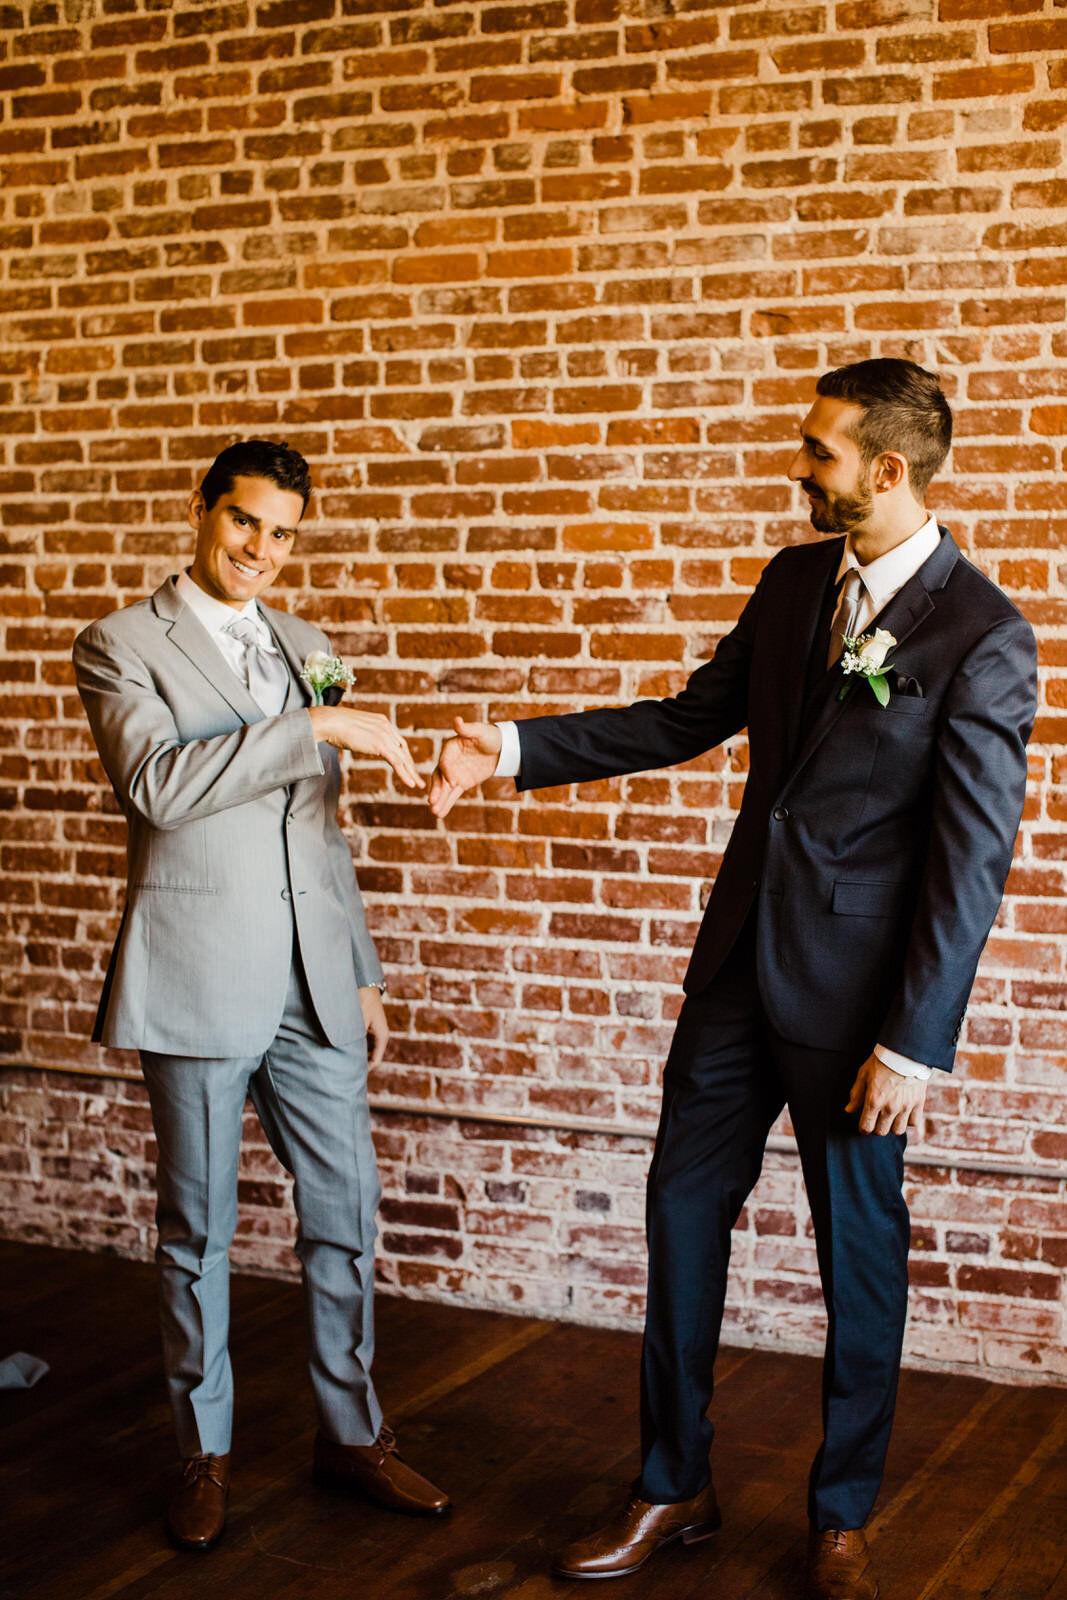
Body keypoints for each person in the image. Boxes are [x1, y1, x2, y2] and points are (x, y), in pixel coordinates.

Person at [428, 360, 1037, 1600]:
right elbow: (685, 716)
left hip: (863, 1014)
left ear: (885, 470)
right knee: (676, 1218)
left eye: (817, 450)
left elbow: (967, 863)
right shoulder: (791, 579)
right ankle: (671, 1485)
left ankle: (840, 1516)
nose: (796, 465)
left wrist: (914, 1043)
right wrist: (503, 750)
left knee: (856, 1257)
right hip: (731, 980)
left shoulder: (983, 635)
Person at [74, 439, 449, 1551]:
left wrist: (365, 971)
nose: (263, 550)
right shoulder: (120, 643)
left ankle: (351, 1435)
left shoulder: (306, 645)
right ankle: (204, 1452)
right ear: (202, 511)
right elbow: (158, 784)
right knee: (198, 1227)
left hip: (314, 985)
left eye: (283, 532)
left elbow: (320, 833)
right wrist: (313, 726)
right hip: (195, 970)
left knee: (345, 1213)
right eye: (245, 522)